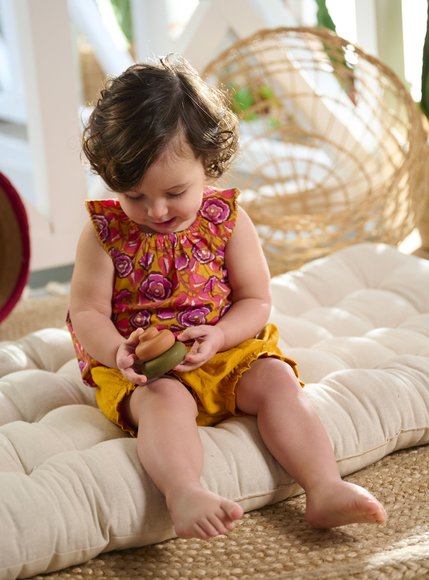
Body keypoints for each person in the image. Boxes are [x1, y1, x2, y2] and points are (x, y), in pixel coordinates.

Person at [68, 55, 387, 540]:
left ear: (207, 163)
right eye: (134, 196)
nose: (155, 210)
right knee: (164, 401)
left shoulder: (227, 220)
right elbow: (86, 311)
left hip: (223, 348)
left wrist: (220, 335)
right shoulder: (103, 234)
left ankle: (323, 487)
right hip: (144, 370)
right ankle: (184, 491)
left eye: (175, 192)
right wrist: (117, 351)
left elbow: (256, 300)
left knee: (279, 380)